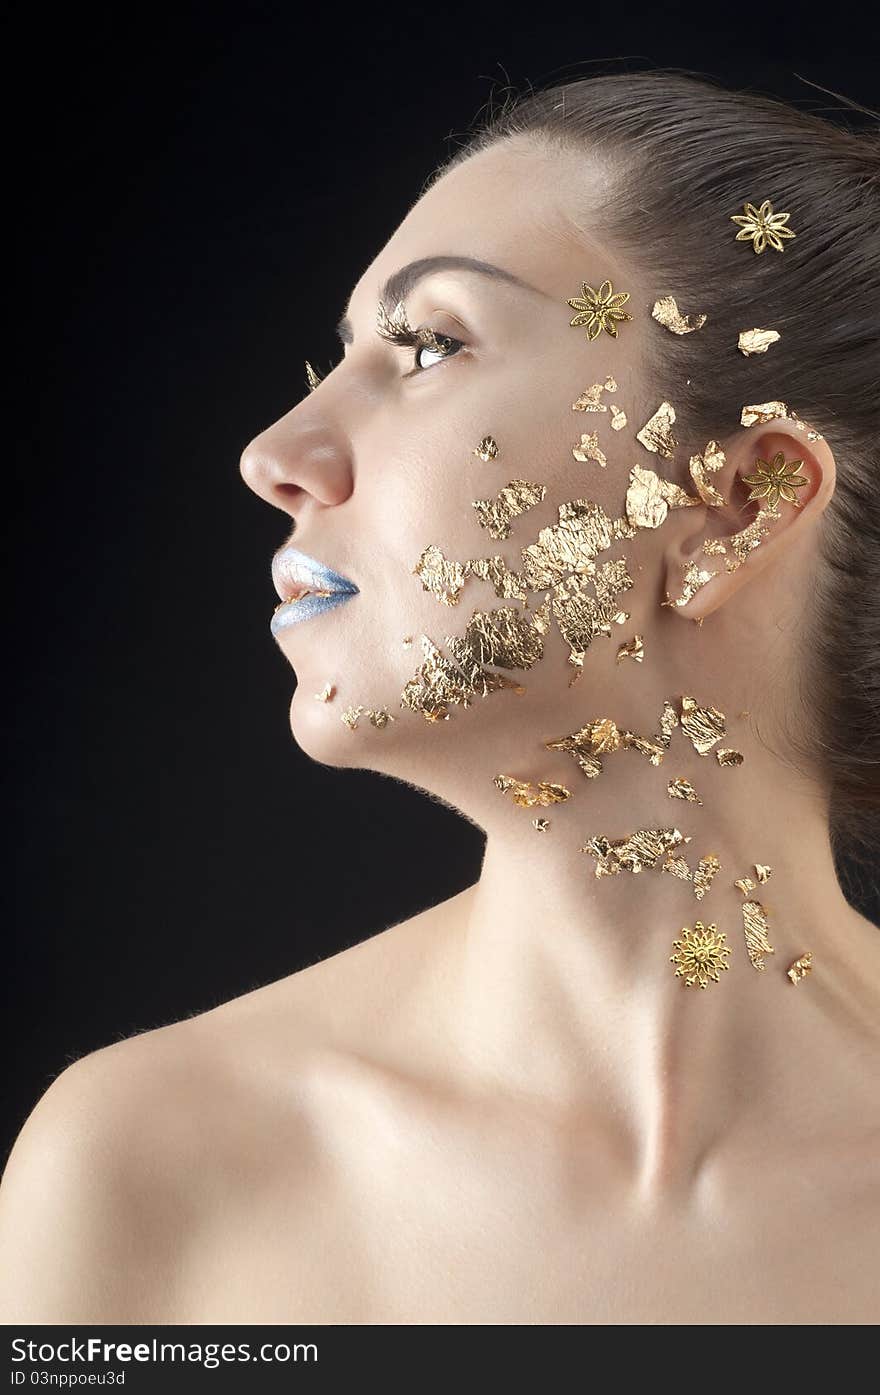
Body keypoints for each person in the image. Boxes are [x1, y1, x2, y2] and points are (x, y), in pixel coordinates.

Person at [1, 70, 878, 1325]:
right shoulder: (153, 1167)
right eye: (338, 354)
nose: (277, 456)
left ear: (741, 504)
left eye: (425, 346)